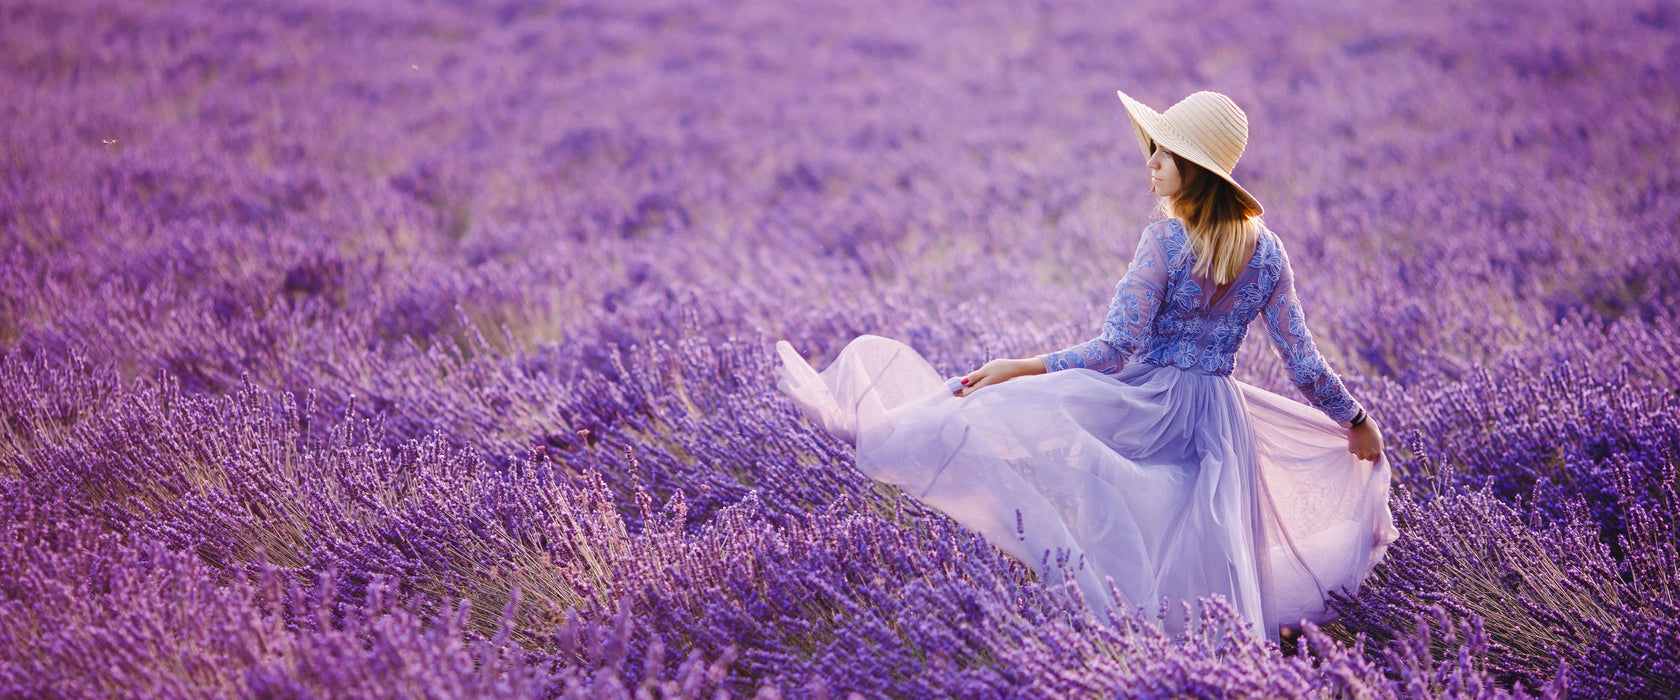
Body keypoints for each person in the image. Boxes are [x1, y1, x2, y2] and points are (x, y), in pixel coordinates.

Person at [774, 90, 1398, 642]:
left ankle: (878, 429)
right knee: (1200, 543)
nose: (1150, 165)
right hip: (1217, 417)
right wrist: (1356, 419)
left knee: (1009, 424)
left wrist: (1019, 366)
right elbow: (1303, 360)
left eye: (1162, 154)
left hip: (1148, 403)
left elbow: (1112, 350)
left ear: (1195, 169)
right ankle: (1205, 660)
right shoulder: (1266, 252)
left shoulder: (1165, 241)